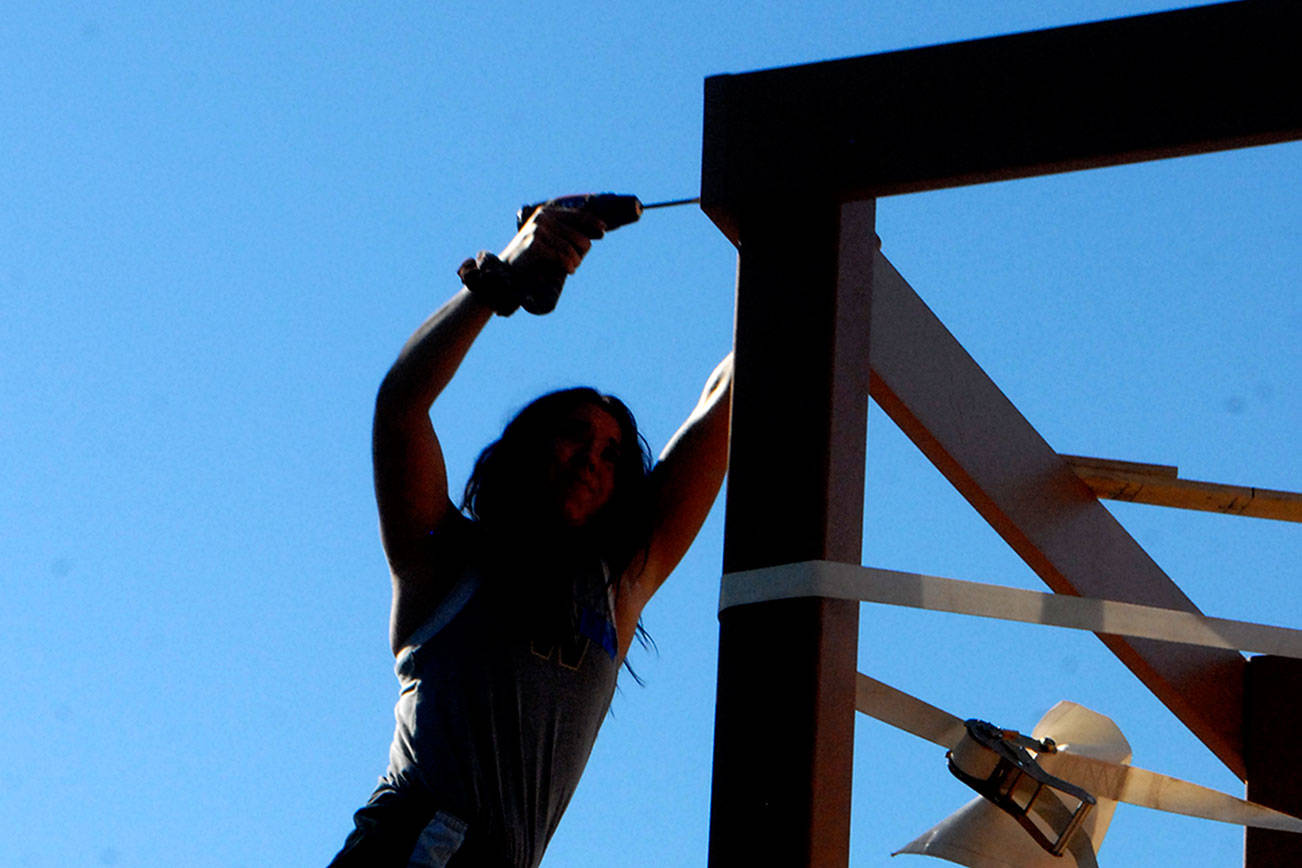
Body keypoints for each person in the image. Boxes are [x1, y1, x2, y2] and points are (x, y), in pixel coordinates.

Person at [330, 202, 733, 867]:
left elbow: (721, 408)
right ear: (526, 451)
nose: (591, 460)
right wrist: (500, 281)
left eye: (610, 455)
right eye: (574, 437)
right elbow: (401, 405)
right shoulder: (446, 558)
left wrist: (791, 246)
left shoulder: (617, 586)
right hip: (409, 847)